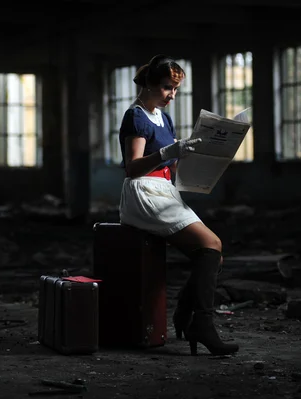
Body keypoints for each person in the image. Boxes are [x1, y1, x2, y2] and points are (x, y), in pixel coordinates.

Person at [118, 54, 239, 356]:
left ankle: (186, 316)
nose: (171, 95)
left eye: (175, 89)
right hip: (144, 192)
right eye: (166, 88)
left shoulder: (164, 116)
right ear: (147, 83)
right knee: (211, 245)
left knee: (213, 254)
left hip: (166, 189)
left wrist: (196, 161)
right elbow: (132, 168)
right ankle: (200, 323)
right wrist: (168, 152)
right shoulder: (136, 116)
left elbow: (169, 161)